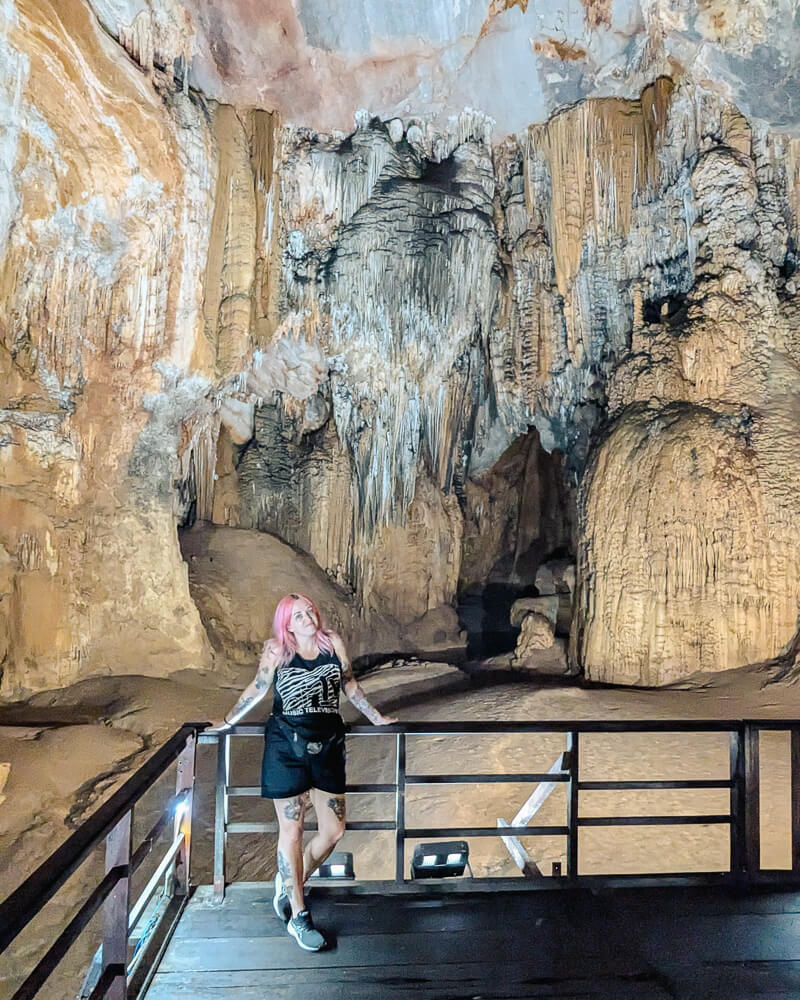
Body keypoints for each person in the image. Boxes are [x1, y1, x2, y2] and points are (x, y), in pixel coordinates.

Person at [207, 593, 397, 952]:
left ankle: (290, 881)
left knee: (334, 829)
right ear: (287, 624)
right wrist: (228, 721)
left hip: (327, 744)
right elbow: (260, 687)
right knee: (291, 830)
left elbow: (350, 685)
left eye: (309, 610)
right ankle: (299, 915)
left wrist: (378, 719)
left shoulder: (333, 643)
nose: (308, 616)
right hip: (286, 746)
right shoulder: (277, 651)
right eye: (298, 614)